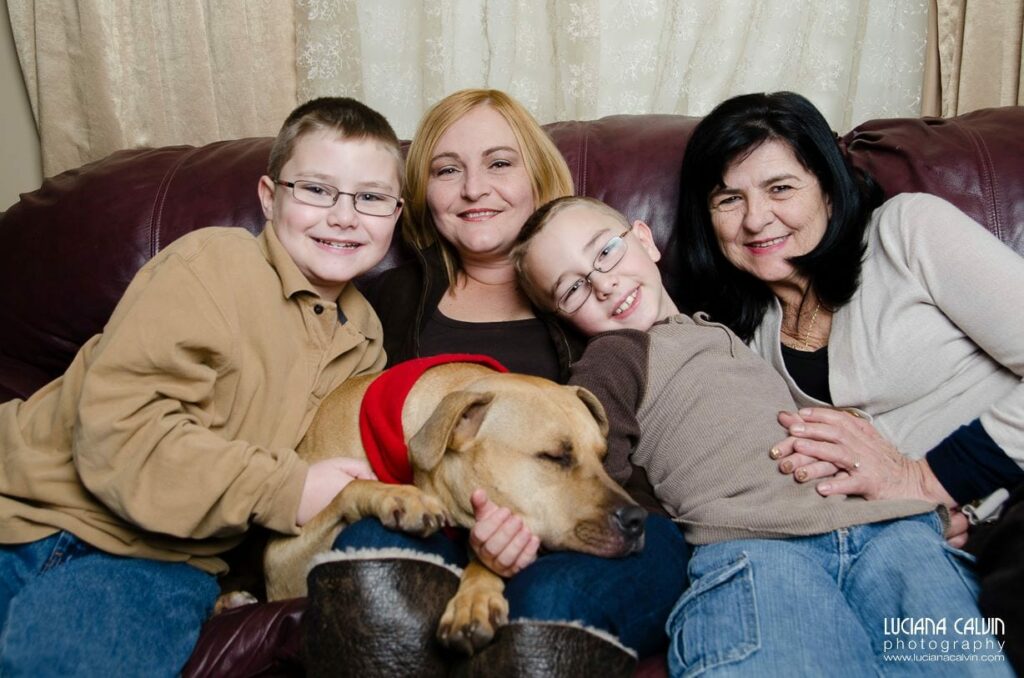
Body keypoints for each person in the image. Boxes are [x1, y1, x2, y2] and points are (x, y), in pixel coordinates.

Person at [512, 195, 1012, 676]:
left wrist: (920, 510)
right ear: (563, 317)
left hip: (891, 533)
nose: (601, 283)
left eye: (605, 250)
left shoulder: (732, 334)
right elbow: (592, 462)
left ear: (644, 238)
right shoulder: (613, 357)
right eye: (572, 288)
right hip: (757, 546)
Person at [0, 97, 405, 675]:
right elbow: (124, 436)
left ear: (396, 213)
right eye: (316, 189)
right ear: (269, 197)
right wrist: (287, 490)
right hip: (32, 512)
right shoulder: (213, 264)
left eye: (371, 197)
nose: (344, 216)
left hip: (161, 561)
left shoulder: (366, 340)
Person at [305, 89, 688, 674]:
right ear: (421, 195)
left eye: (499, 163)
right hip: (437, 523)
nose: (474, 188)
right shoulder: (385, 299)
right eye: (446, 169)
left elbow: (704, 363)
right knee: (368, 562)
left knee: (544, 604)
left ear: (536, 174)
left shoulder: (595, 284)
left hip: (608, 519)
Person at [674, 91, 1024, 547]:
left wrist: (929, 482)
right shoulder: (738, 339)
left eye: (780, 188)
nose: (756, 220)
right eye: (729, 199)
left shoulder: (907, 231)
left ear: (829, 190)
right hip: (924, 547)